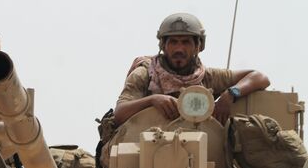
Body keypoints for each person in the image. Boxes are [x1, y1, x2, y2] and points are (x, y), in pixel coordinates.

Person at [113, 12, 270, 126]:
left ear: (198, 46)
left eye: (186, 42)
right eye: (173, 42)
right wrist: (152, 100)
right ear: (164, 46)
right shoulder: (146, 73)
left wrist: (230, 94)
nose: (179, 48)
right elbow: (119, 114)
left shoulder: (206, 77)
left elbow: (260, 77)